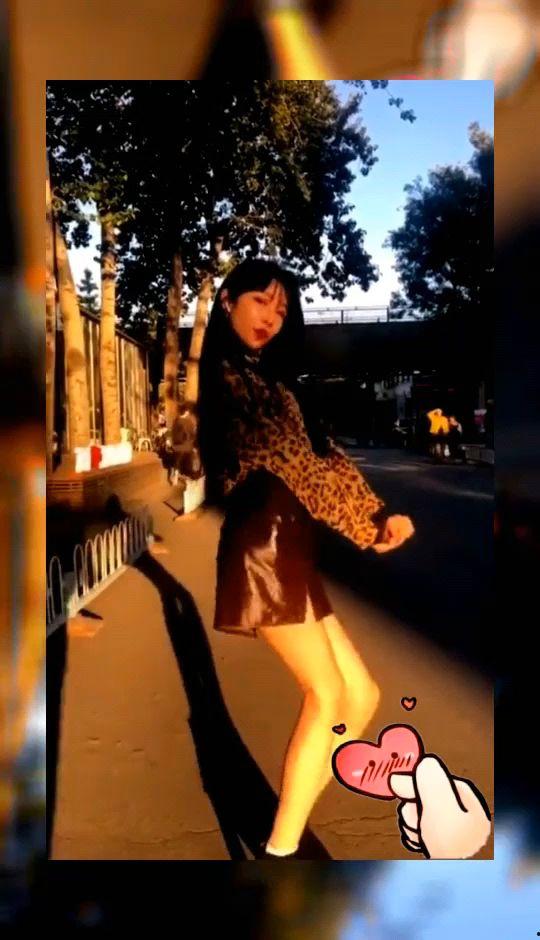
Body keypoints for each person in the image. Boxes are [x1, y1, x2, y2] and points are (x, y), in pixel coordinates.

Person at [197, 259, 415, 859]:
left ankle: (290, 814)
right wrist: (365, 524)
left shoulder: (272, 381)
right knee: (325, 693)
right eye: (261, 301)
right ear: (227, 302)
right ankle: (283, 850)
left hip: (292, 545)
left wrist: (377, 515)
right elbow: (299, 467)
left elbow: (325, 459)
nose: (271, 316)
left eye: (282, 309)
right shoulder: (226, 378)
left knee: (361, 697)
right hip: (263, 545)